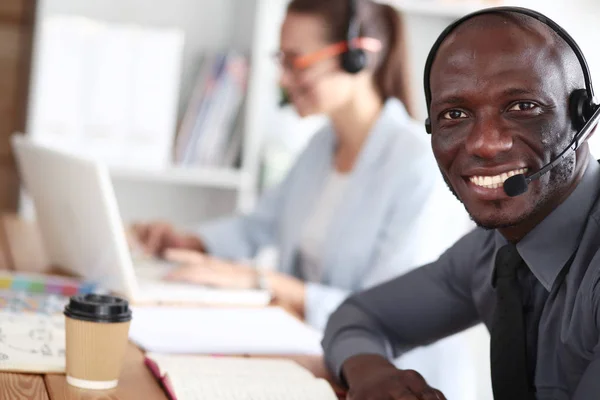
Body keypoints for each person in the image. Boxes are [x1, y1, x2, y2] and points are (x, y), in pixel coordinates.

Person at [131, 0, 467, 330]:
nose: (283, 80)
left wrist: (261, 281)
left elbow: (391, 309)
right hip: (319, 350)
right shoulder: (321, 147)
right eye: (282, 61)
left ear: (356, 58)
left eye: (296, 63)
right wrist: (185, 243)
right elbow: (258, 226)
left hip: (397, 373)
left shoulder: (420, 163)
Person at [321, 6, 600, 400]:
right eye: (455, 114)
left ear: (583, 119)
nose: (485, 143)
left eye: (522, 107)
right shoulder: (493, 252)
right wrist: (372, 373)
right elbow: (357, 318)